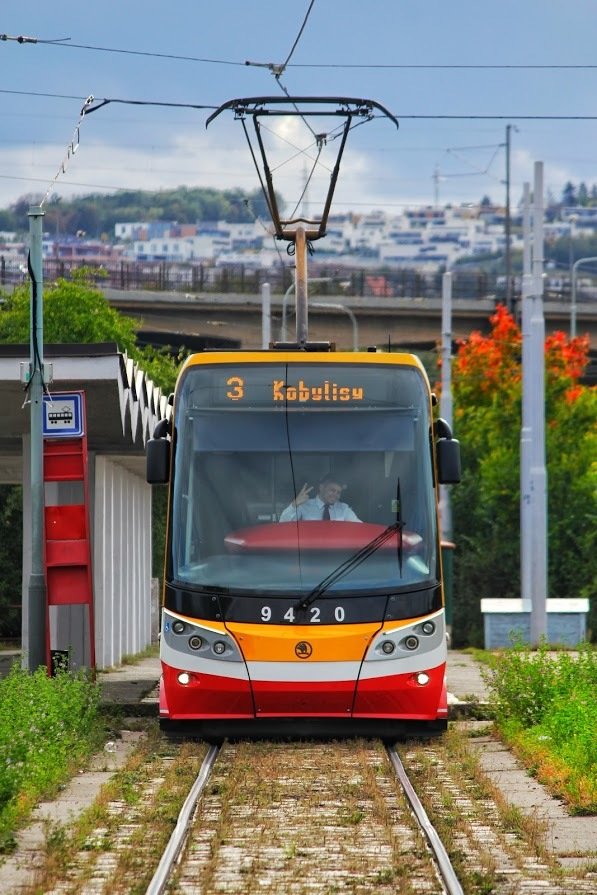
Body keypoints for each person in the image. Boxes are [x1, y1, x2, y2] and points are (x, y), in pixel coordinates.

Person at [279, 473, 361, 523]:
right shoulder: (304, 505)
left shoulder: (344, 509)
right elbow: (283, 523)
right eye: (332, 490)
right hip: (309, 550)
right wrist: (294, 504)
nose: (335, 495)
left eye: (338, 492)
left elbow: (359, 527)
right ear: (321, 487)